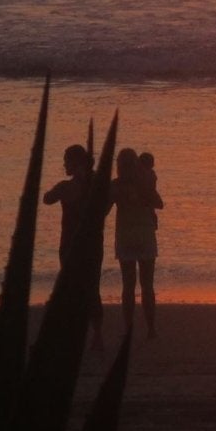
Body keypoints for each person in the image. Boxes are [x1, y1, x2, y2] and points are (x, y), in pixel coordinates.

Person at [43, 143, 106, 348]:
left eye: (66, 160)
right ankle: (95, 334)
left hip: (73, 245)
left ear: (76, 162)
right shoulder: (94, 185)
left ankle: (85, 333)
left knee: (72, 288)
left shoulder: (68, 187)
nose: (64, 164)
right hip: (90, 245)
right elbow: (48, 199)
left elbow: (47, 198)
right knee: (90, 287)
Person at [112, 147, 163, 338]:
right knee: (147, 285)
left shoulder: (116, 185)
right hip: (144, 235)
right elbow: (159, 203)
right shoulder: (145, 183)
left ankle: (128, 330)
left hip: (125, 236)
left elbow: (104, 207)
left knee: (128, 285)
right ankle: (150, 329)